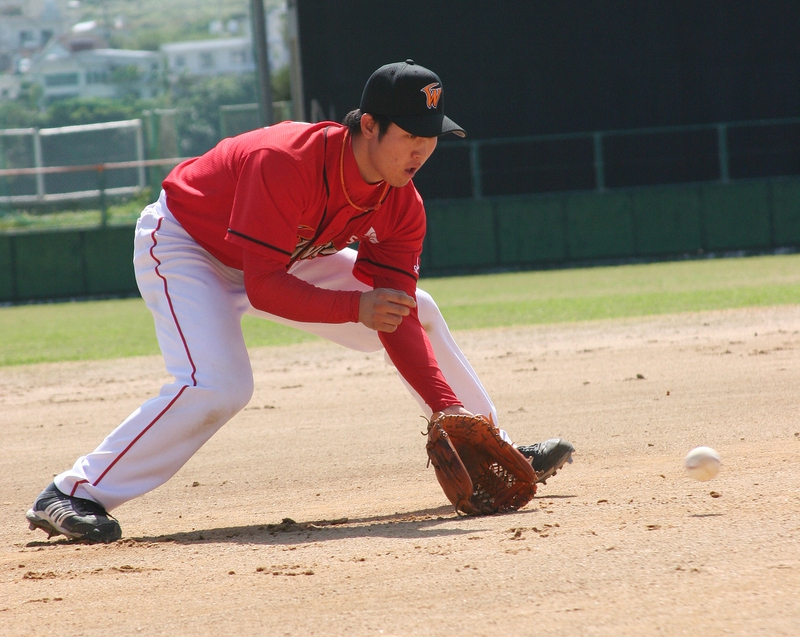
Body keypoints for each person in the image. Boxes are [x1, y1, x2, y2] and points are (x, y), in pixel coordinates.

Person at [26, 60, 574, 543]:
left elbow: (393, 312)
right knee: (219, 385)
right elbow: (265, 286)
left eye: (433, 136)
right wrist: (355, 308)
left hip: (283, 251)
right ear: (368, 125)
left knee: (419, 308)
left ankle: (494, 450)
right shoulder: (285, 160)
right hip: (189, 243)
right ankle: (72, 493)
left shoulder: (401, 203)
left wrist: (445, 406)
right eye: (411, 134)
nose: (422, 149)